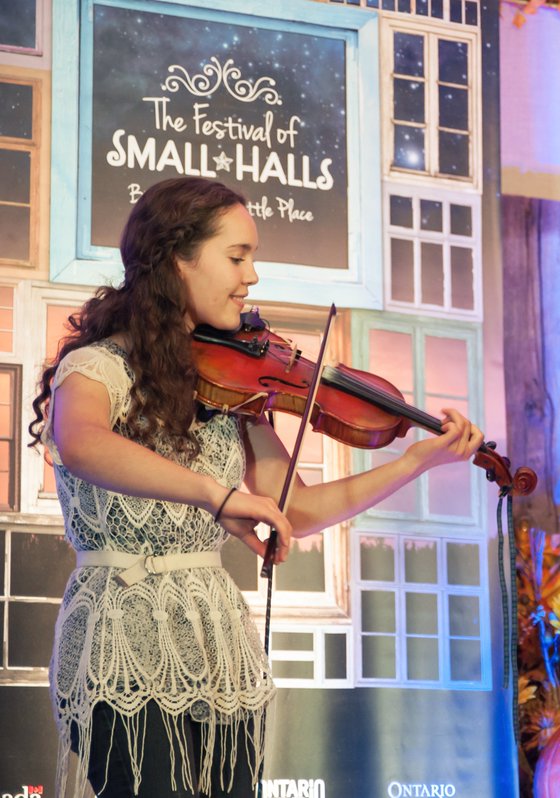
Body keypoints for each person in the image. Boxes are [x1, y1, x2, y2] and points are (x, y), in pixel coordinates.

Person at [28, 176, 484, 798]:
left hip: (216, 638)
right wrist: (216, 495)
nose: (252, 277)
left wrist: (416, 463)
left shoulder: (228, 385)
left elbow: (296, 506)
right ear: (175, 258)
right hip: (120, 634)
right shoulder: (97, 367)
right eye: (237, 256)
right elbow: (82, 443)